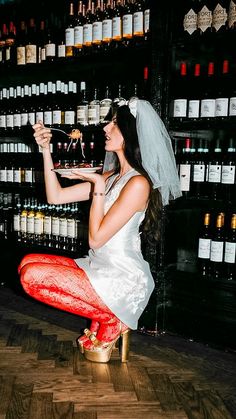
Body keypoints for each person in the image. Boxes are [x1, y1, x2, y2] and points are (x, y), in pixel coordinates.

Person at [18, 97, 181, 363]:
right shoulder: (112, 176)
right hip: (99, 267)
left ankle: (111, 318)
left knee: (31, 276)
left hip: (122, 277)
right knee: (27, 262)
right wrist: (45, 149)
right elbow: (55, 196)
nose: (106, 127)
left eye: (115, 123)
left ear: (132, 132)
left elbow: (95, 238)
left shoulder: (138, 183)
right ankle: (107, 316)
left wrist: (97, 185)